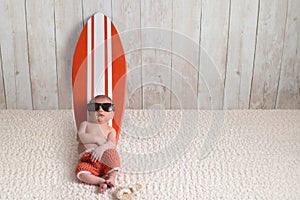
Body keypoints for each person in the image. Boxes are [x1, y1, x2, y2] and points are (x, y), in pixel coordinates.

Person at [75, 95, 120, 194]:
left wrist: (101, 148)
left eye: (106, 107)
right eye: (95, 107)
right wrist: (96, 139)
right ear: (89, 112)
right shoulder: (85, 124)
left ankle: (112, 178)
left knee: (114, 156)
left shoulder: (110, 130)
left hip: (105, 157)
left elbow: (112, 144)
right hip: (88, 159)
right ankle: (100, 181)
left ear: (112, 114)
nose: (100, 109)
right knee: (80, 171)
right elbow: (80, 137)